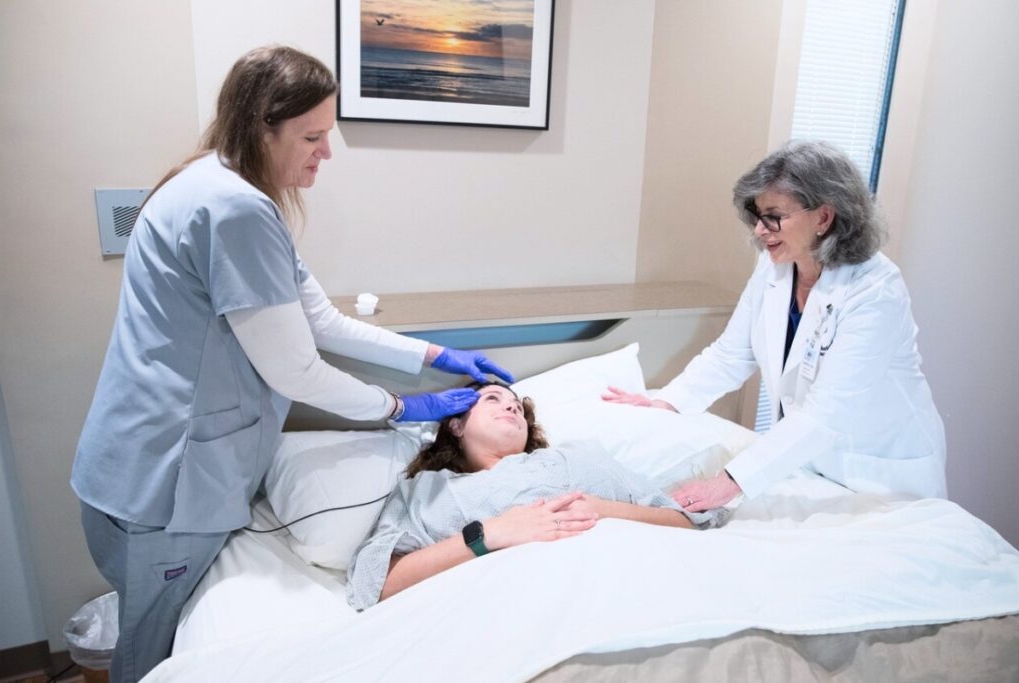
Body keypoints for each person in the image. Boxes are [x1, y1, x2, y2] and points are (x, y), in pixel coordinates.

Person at [71, 46, 512, 683]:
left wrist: (434, 355)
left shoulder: (214, 183)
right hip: (165, 487)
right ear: (262, 127)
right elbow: (296, 370)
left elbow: (322, 321)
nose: (325, 153)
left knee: (148, 628)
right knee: (150, 654)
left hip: (129, 462)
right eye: (312, 136)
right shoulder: (238, 210)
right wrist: (400, 407)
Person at [604, 140, 946, 511]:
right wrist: (667, 402)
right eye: (757, 217)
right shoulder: (776, 266)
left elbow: (826, 413)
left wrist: (729, 482)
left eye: (774, 217)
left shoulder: (876, 291)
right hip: (812, 466)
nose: (760, 231)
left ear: (824, 217)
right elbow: (731, 354)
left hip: (881, 475)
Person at [346, 383, 727, 610]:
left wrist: (606, 510)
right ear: (456, 424)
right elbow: (372, 582)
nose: (511, 406)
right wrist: (487, 535)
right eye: (493, 399)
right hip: (524, 606)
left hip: (637, 587)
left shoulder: (578, 457)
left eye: (516, 405)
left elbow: (687, 520)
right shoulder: (428, 490)